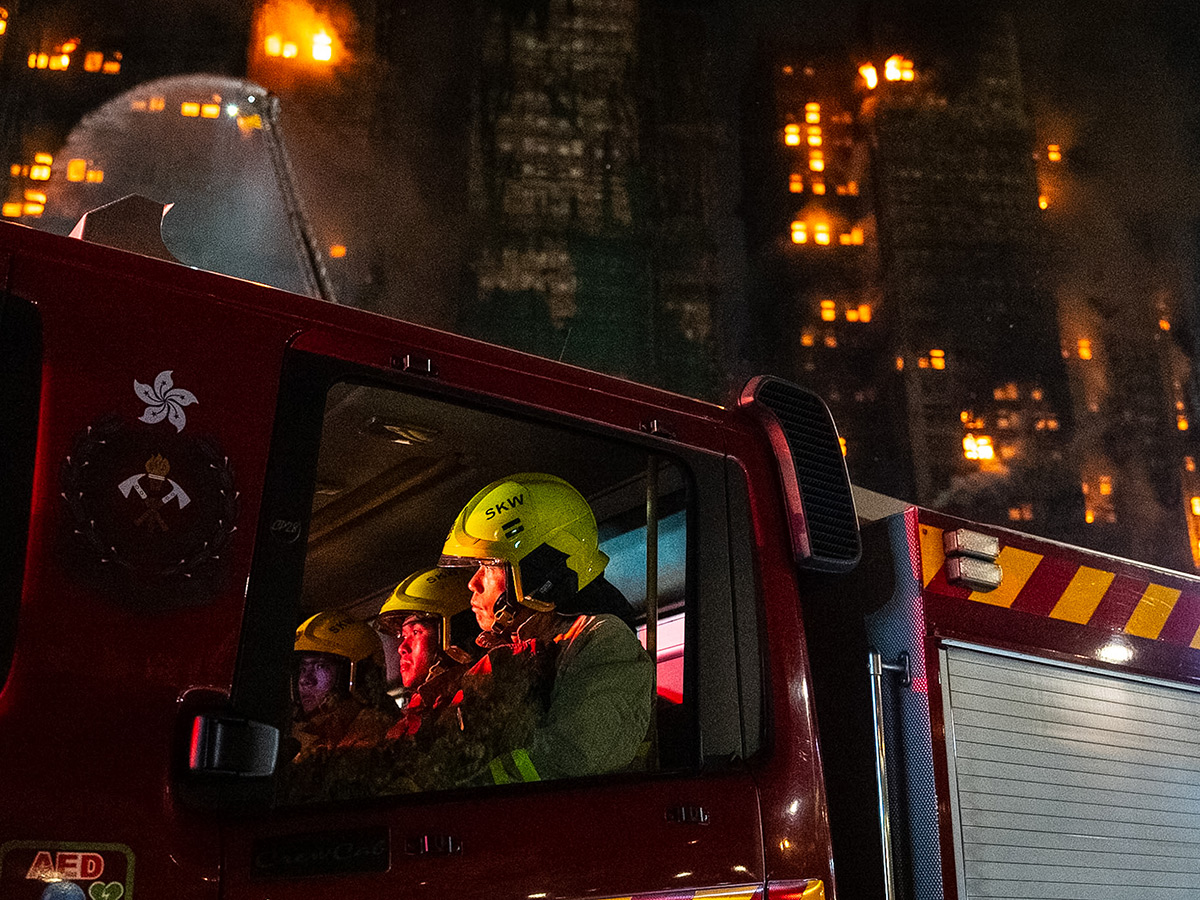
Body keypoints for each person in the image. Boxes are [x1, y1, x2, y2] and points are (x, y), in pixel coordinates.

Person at [439, 472, 654, 784]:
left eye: (489, 566)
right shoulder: (506, 653)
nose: (473, 583)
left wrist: (467, 789)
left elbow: (574, 757)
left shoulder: (602, 639)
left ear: (539, 571)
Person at [373, 567, 476, 739]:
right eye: (403, 636)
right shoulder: (411, 718)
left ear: (454, 634)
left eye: (416, 632)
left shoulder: (470, 705)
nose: (401, 648)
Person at [291, 611, 395, 760]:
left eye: (320, 666)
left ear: (359, 675)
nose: (304, 679)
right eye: (302, 669)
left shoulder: (380, 739)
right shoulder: (317, 748)